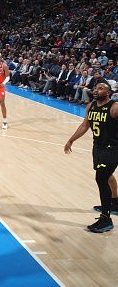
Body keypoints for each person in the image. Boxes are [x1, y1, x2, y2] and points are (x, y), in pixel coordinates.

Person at [64, 82, 118, 232]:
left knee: (100, 177)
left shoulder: (114, 107)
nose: (96, 90)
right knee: (107, 176)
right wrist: (71, 140)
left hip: (112, 148)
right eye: (95, 88)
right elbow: (84, 126)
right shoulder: (91, 106)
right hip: (98, 148)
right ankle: (114, 202)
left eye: (100, 88)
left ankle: (106, 219)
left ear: (108, 92)